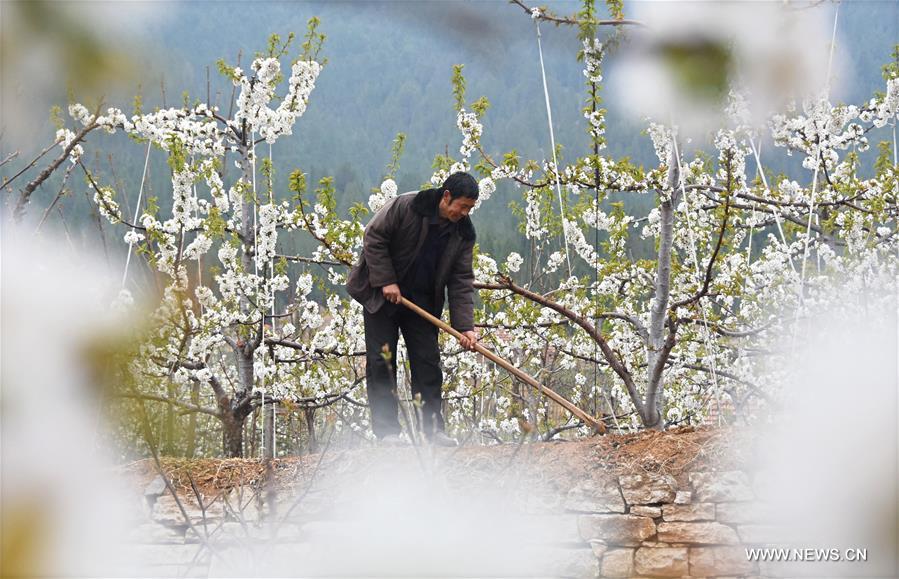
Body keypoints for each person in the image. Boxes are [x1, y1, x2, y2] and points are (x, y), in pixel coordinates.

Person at [346, 172, 479, 446]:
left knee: (428, 362)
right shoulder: (406, 206)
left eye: (470, 209)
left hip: (422, 303)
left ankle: (432, 431)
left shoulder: (463, 233)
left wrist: (465, 326)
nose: (464, 213)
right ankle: (387, 433)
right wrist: (386, 281)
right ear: (446, 196)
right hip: (382, 297)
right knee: (382, 362)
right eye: (462, 206)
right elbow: (373, 237)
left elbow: (461, 279)